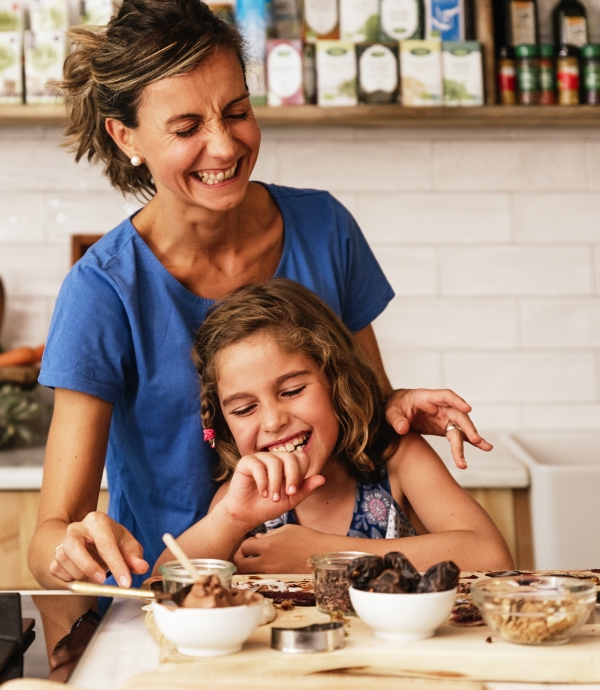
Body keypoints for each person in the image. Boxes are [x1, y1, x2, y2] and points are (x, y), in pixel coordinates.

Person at [30, 0, 493, 590]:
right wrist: (73, 548)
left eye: (237, 111)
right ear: (127, 137)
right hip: (166, 599)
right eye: (187, 127)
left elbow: (358, 417)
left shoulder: (325, 229)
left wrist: (394, 402)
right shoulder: (103, 290)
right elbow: (52, 531)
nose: (223, 147)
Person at [156, 279, 513, 573]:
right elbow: (159, 587)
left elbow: (491, 557)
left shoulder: (396, 458)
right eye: (245, 408)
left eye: (293, 390)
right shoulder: (244, 496)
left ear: (336, 381)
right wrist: (231, 519)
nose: (273, 420)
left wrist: (322, 557)